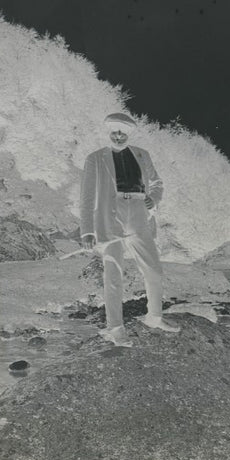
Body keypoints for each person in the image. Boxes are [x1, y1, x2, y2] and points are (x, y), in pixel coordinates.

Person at [79, 111, 180, 347]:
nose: (118, 136)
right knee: (113, 273)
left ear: (129, 134)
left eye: (122, 133)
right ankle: (115, 328)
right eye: (114, 132)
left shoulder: (142, 155)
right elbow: (87, 197)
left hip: (139, 213)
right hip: (110, 215)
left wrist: (153, 199)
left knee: (154, 269)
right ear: (109, 133)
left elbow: (157, 182)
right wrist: (87, 231)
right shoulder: (95, 158)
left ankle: (154, 317)